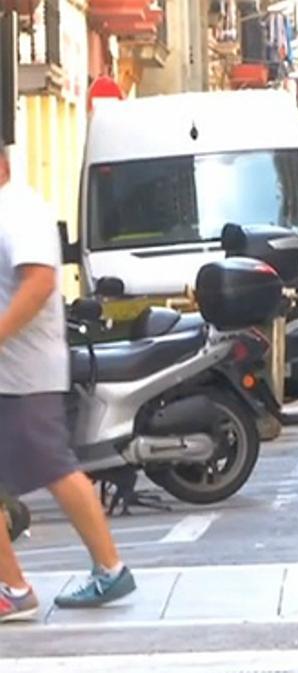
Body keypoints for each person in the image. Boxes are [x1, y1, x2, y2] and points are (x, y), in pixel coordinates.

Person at [0, 142, 137, 621]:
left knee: (57, 468)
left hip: (24, 375)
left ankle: (101, 569)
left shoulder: (19, 212)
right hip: (12, 375)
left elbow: (38, 282)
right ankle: (12, 585)